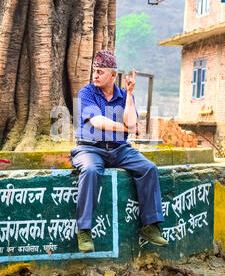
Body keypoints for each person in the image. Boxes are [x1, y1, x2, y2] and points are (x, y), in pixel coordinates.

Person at [70, 50, 168, 253]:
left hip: (119, 149)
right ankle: (84, 230)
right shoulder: (87, 92)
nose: (95, 75)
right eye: (94, 71)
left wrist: (130, 94)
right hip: (90, 148)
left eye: (100, 71)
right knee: (89, 170)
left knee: (148, 168)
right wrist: (126, 129)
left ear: (113, 75)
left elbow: (132, 121)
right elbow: (97, 122)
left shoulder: (124, 96)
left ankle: (150, 226)